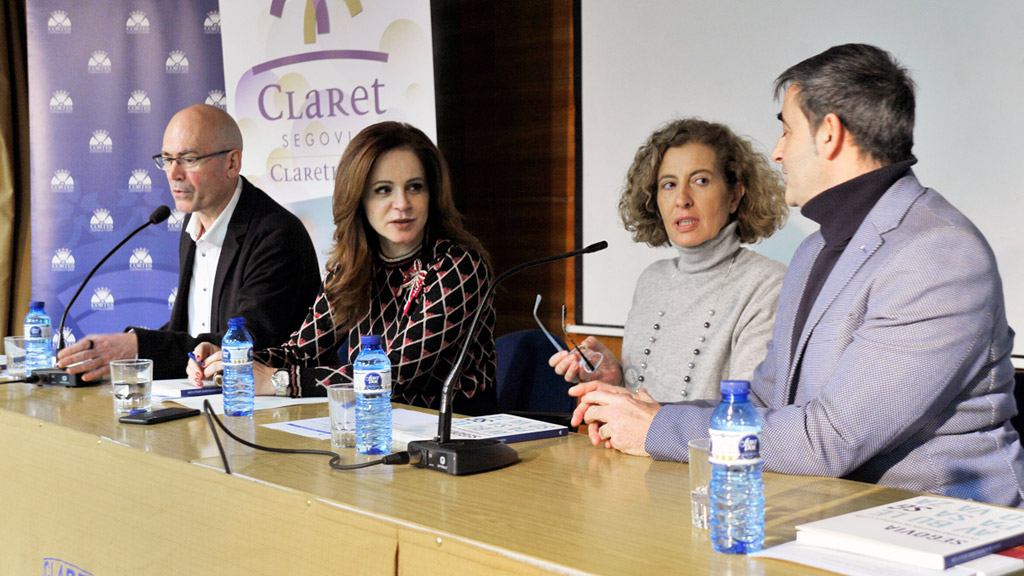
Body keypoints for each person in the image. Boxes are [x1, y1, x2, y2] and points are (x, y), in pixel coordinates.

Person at [569, 44, 1024, 506]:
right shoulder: (815, 250)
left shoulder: (938, 253)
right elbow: (767, 402)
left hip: (943, 527)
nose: (778, 152)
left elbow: (829, 440)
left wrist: (658, 428)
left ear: (829, 134)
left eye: (787, 131)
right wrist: (650, 411)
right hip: (832, 513)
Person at [189, 121, 498, 415]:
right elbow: (300, 352)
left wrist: (278, 381)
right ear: (358, 197)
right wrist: (230, 361)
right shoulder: (354, 266)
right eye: (383, 190)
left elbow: (390, 374)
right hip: (371, 427)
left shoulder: (458, 266)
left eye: (415, 187)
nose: (402, 203)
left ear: (433, 194)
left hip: (453, 438)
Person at [56, 104, 321, 381]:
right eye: (167, 159)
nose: (173, 173)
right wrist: (127, 351)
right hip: (201, 393)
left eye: (189, 159)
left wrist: (137, 348)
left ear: (232, 163)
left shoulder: (276, 235)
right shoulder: (193, 223)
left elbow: (250, 340)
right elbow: (191, 328)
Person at [549, 119, 787, 402]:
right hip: (632, 446)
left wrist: (650, 425)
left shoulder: (769, 283)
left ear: (734, 196)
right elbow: (646, 401)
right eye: (669, 184)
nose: (682, 199)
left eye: (700, 181)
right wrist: (617, 378)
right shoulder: (652, 279)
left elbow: (751, 411)